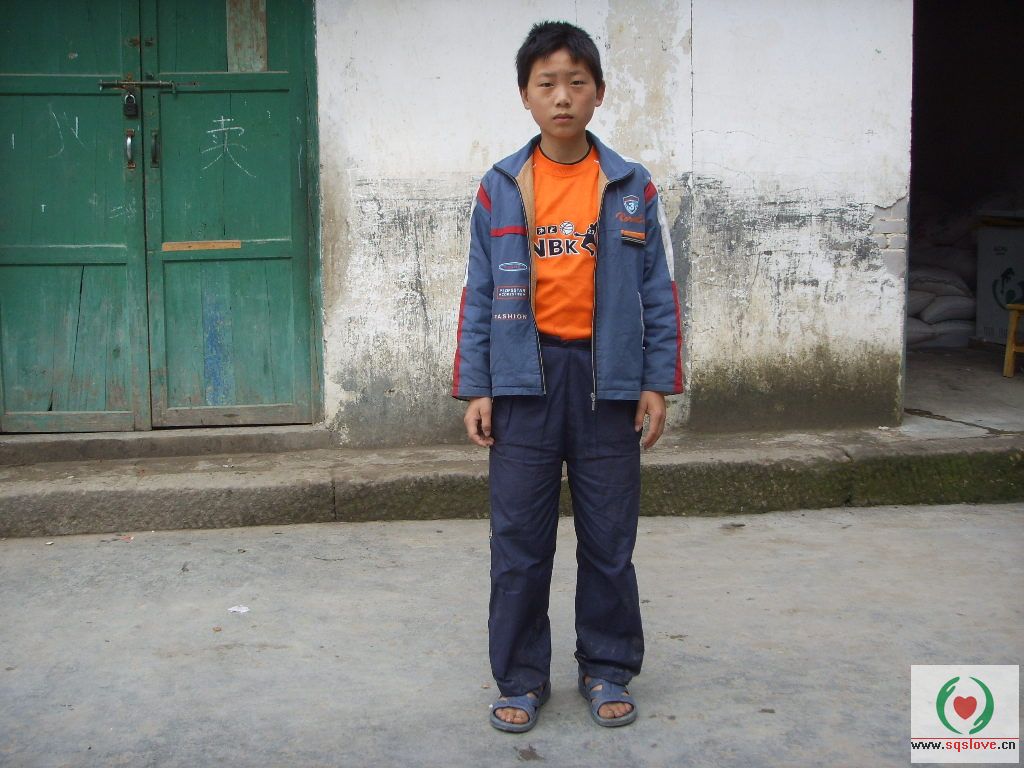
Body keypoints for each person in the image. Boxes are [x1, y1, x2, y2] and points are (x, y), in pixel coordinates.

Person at [451, 20, 684, 733]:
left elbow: (657, 291)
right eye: (546, 83)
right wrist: (478, 385)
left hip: (607, 382)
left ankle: (607, 666)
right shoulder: (501, 187)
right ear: (525, 95)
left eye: (576, 83)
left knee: (609, 540)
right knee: (519, 544)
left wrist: (654, 382)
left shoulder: (630, 186)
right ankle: (521, 677)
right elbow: (479, 293)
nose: (562, 97)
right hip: (524, 379)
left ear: (599, 94)